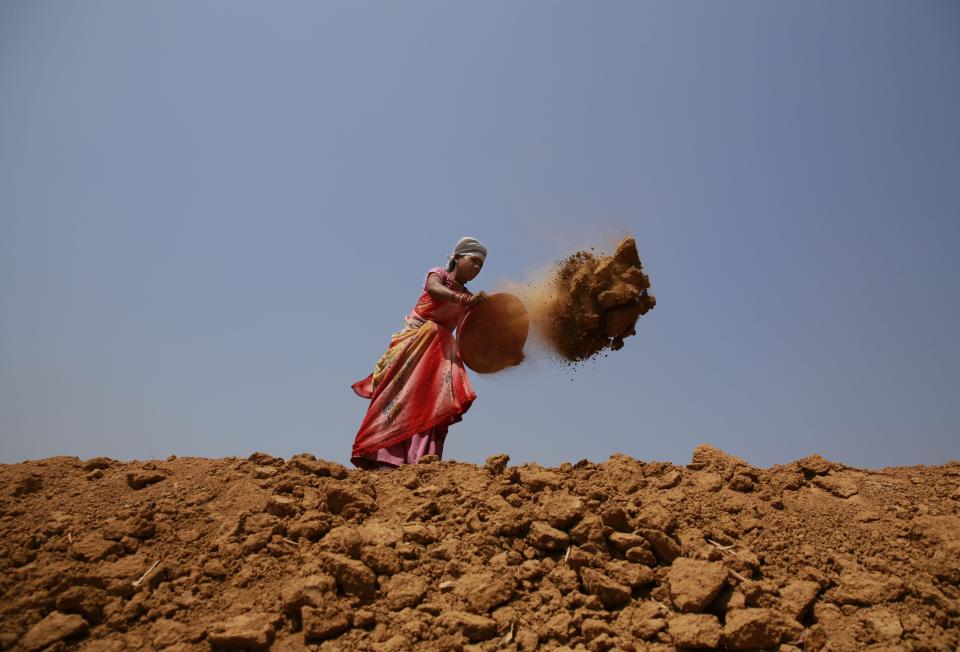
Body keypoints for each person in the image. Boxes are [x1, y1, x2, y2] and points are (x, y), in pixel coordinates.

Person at [351, 237, 489, 469]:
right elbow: (433, 289)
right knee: (400, 398)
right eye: (473, 260)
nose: (477, 268)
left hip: (439, 355)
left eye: (481, 266)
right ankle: (384, 458)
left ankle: (421, 461)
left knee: (432, 404)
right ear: (456, 258)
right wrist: (464, 299)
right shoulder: (439, 275)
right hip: (414, 346)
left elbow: (472, 333)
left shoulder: (469, 297)